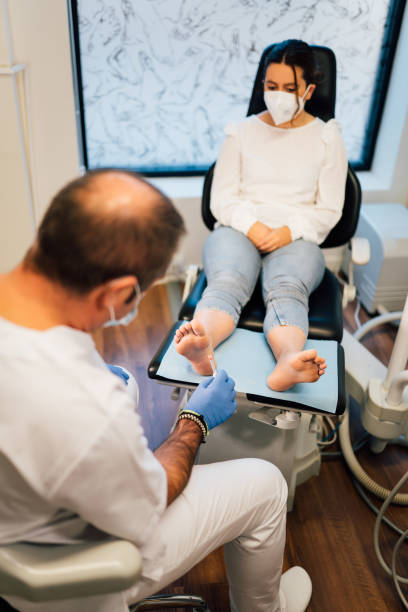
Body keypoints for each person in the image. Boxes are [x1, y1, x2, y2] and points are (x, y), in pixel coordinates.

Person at [0, 169, 312, 612]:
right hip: (81, 569)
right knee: (265, 485)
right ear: (121, 291)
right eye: (136, 299)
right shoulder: (85, 403)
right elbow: (153, 497)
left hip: (14, 514)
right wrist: (194, 421)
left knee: (123, 387)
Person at [175, 39, 348, 392]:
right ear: (262, 86)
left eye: (289, 88)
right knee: (227, 281)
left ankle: (288, 360)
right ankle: (202, 343)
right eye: (271, 87)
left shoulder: (327, 137)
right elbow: (221, 198)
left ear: (309, 90)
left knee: (288, 290)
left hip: (298, 238)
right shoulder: (241, 132)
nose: (278, 95)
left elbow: (329, 209)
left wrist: (288, 231)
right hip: (239, 229)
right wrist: (252, 226)